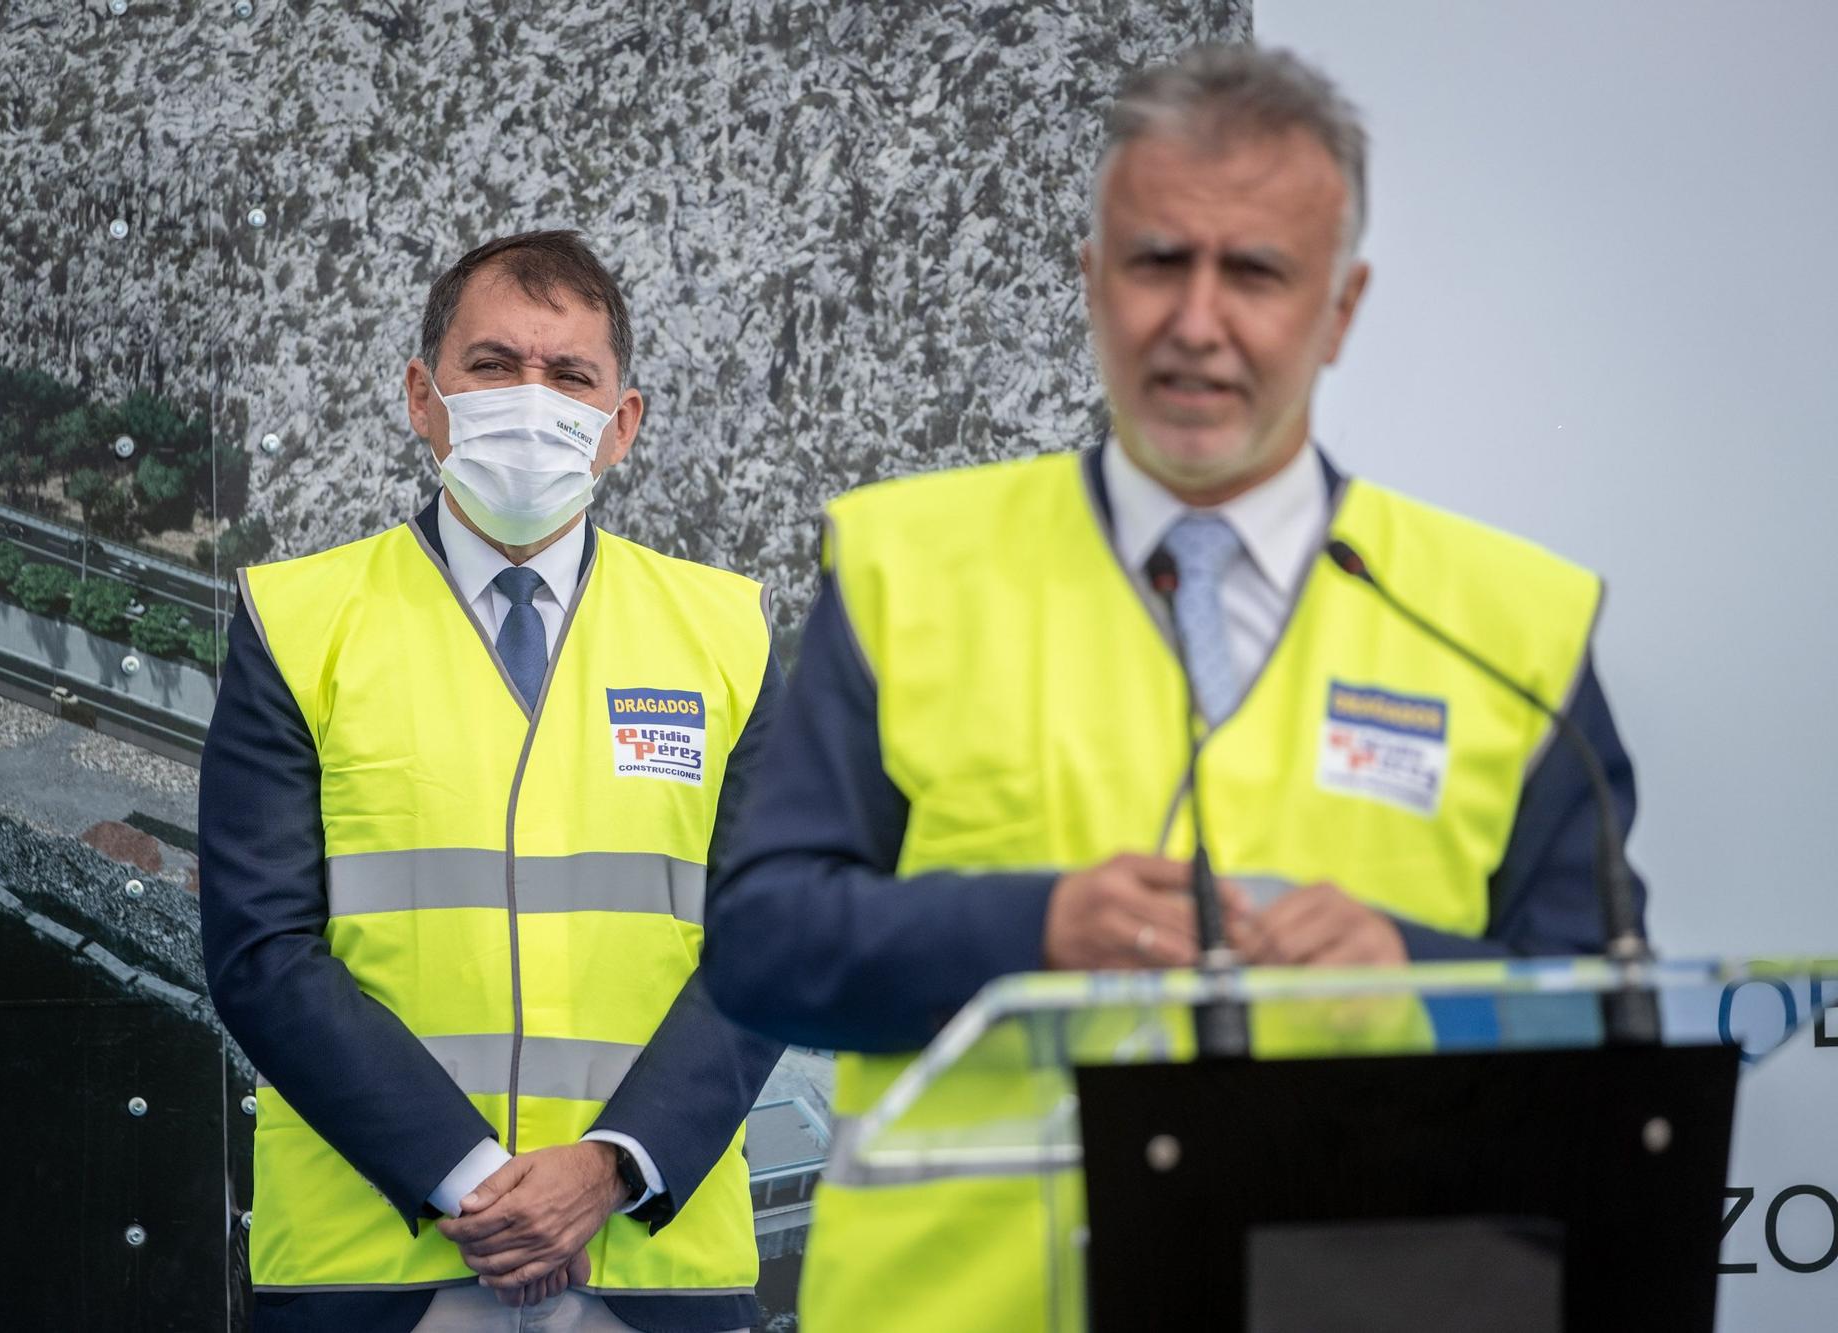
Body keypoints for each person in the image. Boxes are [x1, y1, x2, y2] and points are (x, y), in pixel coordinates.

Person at [700, 44, 1647, 1332]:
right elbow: (762, 945)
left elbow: (1608, 1020)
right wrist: (1030, 935)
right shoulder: (904, 569)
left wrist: (1405, 977)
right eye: (1156, 260)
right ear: (1092, 279)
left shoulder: (1504, 624)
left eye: (1253, 271)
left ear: (1338, 308)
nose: (1195, 320)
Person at [200, 230, 783, 1333]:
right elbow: (260, 949)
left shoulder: (729, 633)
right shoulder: (298, 621)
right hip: (376, 1263)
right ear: (422, 397)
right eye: (492, 365)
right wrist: (466, 1175)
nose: (531, 399)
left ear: (621, 426)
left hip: (644, 1266)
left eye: (569, 376)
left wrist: (612, 1167)